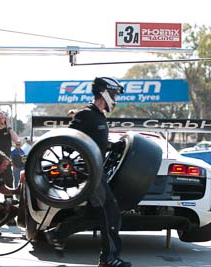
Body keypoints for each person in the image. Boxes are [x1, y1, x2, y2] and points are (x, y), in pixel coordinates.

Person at [44, 77, 131, 267]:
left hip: (98, 172)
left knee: (94, 216)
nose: (115, 98)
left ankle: (57, 233)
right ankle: (109, 258)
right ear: (105, 92)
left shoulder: (100, 116)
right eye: (114, 93)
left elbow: (93, 143)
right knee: (110, 213)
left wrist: (111, 146)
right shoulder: (86, 114)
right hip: (89, 174)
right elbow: (68, 144)